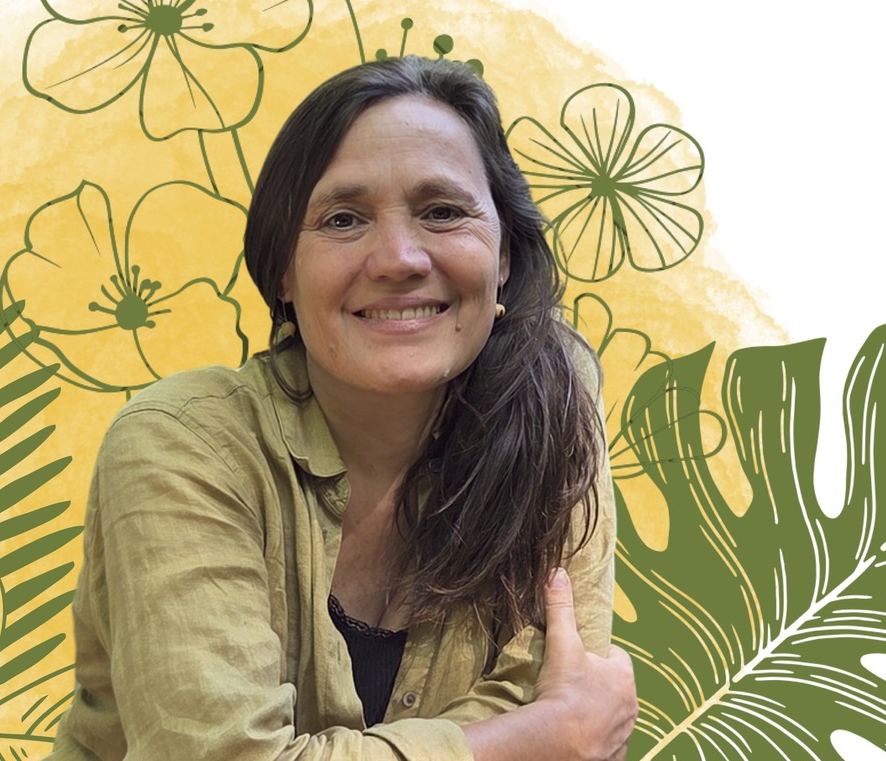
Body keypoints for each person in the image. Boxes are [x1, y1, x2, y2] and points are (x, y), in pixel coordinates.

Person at [46, 56, 636, 760]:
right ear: (283, 273)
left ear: (505, 253)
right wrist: (538, 738)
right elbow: (564, 727)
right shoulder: (180, 445)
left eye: (442, 212)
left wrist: (541, 728)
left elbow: (562, 686)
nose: (399, 258)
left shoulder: (555, 399)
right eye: (344, 219)